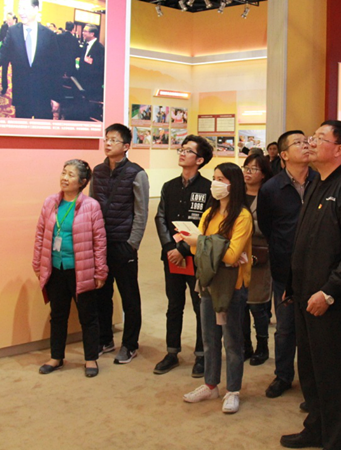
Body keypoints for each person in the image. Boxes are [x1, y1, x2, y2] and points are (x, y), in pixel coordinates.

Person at [280, 120, 341, 450]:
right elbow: (305, 242)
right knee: (310, 369)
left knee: (333, 375)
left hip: (331, 301)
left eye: (320, 138)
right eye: (312, 137)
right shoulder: (317, 183)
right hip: (305, 295)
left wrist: (329, 293)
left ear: (339, 149)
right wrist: (293, 285)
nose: (311, 142)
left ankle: (336, 440)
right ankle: (316, 428)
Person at [181, 163, 253, 414]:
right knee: (210, 339)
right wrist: (210, 246)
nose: (215, 183)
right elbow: (195, 250)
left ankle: (233, 390)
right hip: (209, 282)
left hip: (232, 285)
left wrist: (203, 243)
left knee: (232, 342)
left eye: (221, 179)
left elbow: (232, 255)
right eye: (214, 178)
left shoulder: (242, 216)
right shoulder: (209, 214)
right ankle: (210, 385)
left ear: (233, 183)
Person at [32, 159, 107, 378]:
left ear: (82, 182)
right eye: (64, 172)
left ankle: (90, 358)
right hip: (55, 268)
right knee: (58, 315)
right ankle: (56, 357)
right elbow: (40, 234)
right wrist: (37, 264)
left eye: (71, 175)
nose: (65, 178)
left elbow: (99, 241)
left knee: (88, 316)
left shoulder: (91, 206)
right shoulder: (50, 202)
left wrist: (100, 271)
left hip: (81, 270)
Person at [257, 130, 317, 399]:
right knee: (285, 328)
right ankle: (283, 375)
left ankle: (311, 380)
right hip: (285, 270)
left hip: (317, 269)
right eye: (298, 143)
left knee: (313, 330)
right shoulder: (271, 188)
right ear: (283, 155)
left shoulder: (321, 181)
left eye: (307, 141)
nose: (306, 146)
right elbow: (268, 227)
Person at [89, 124, 150, 364]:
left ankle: (130, 344)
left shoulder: (136, 173)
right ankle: (105, 339)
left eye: (113, 140)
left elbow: (141, 212)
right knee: (101, 293)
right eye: (106, 139)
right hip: (100, 244)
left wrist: (132, 243)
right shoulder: (98, 171)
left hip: (123, 244)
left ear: (126, 146)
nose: (107, 143)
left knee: (129, 296)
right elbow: (92, 206)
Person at [153, 135, 213, 377]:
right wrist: (170, 248)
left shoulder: (208, 188)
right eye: (182, 149)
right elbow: (160, 218)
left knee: (200, 306)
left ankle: (202, 354)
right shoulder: (169, 186)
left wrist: (184, 250)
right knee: (174, 304)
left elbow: (207, 225)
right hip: (171, 257)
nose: (182, 153)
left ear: (199, 160)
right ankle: (172, 352)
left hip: (196, 257)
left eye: (188, 150)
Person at [0, 0, 63, 119]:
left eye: (24, 8)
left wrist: (56, 97)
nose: (20, 12)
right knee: (22, 126)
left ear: (35, 9)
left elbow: (56, 67)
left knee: (41, 128)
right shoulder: (13, 31)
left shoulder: (48, 35)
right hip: (21, 93)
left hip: (43, 94)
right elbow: (3, 52)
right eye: (19, 8)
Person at [241, 153, 274, 365]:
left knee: (257, 305)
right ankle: (245, 346)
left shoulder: (269, 195)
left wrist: (244, 225)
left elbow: (271, 226)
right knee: (240, 304)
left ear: (263, 174)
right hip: (236, 254)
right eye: (246, 167)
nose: (248, 172)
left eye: (253, 169)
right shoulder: (236, 194)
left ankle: (262, 346)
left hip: (259, 255)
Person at [76, 23, 105, 122]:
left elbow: (99, 68)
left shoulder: (99, 49)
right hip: (83, 82)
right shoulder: (85, 45)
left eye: (85, 31)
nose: (83, 33)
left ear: (92, 34)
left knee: (89, 112)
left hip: (92, 85)